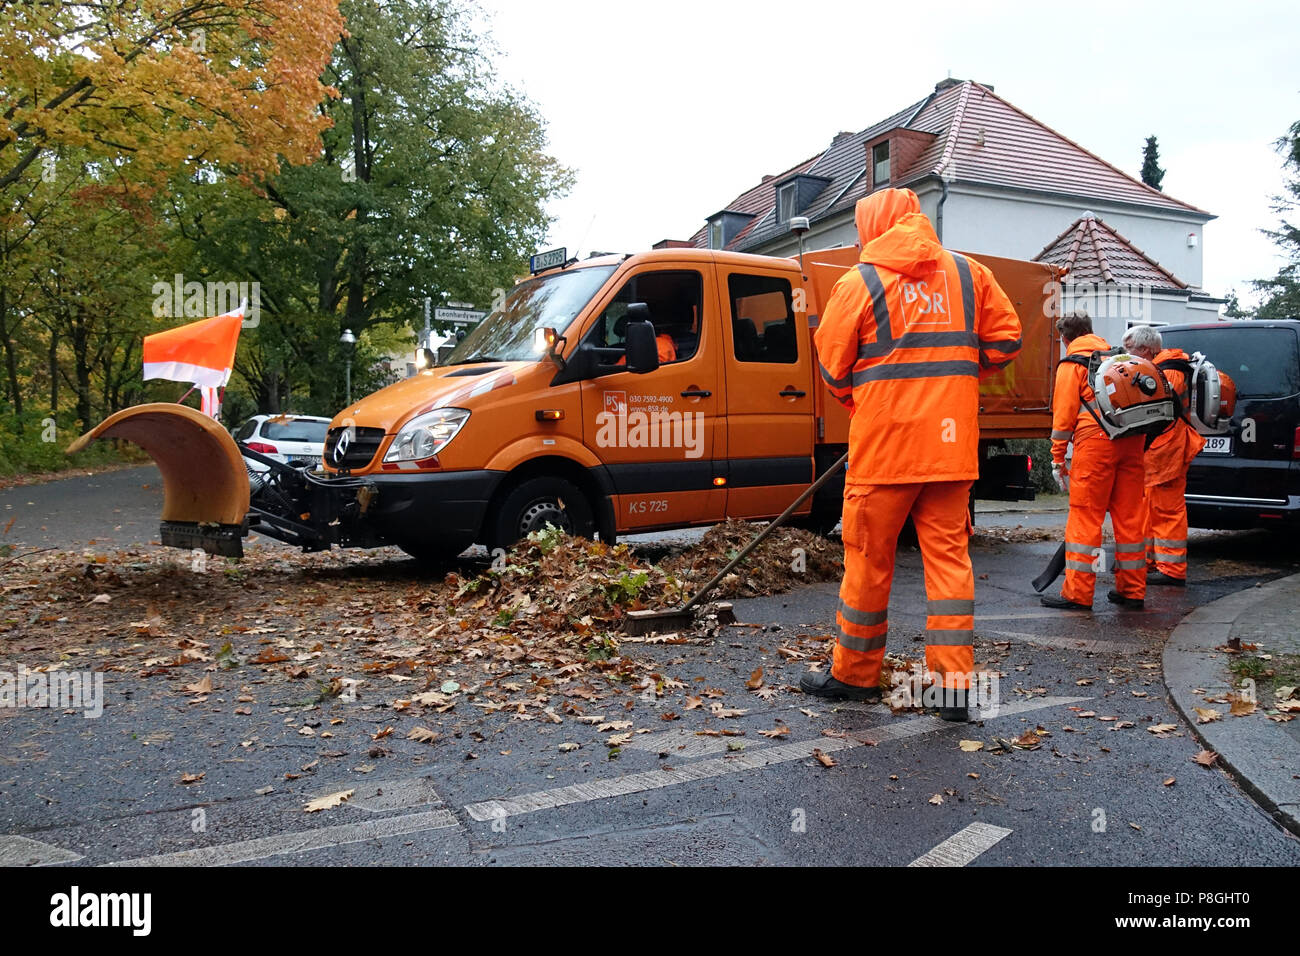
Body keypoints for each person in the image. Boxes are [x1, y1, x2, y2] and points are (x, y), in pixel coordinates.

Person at [800, 187, 1022, 722]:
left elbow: (832, 367)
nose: (857, 239)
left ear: (873, 225)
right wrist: (958, 381)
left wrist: (866, 398)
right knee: (948, 564)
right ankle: (953, 688)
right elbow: (1006, 341)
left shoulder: (861, 281)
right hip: (949, 453)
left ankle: (854, 675)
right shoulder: (970, 275)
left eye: (858, 229)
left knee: (869, 561)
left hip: (884, 451)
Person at [1042, 311, 1147, 611]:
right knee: (1129, 517)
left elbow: (1063, 419)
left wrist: (1057, 459)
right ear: (1091, 331)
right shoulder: (1118, 358)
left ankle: (1077, 593)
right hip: (1131, 440)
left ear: (1065, 338)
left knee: (1086, 518)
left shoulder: (1072, 364)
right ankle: (1133, 590)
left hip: (1096, 444)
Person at [1122, 325, 1205, 586]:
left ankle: (1171, 568)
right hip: (1159, 449)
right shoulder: (1162, 368)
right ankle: (1150, 561)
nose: (1127, 354)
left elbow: (1154, 408)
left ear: (1145, 350)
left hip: (1166, 449)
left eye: (1130, 349)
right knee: (1149, 507)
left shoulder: (1169, 370)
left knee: (1167, 509)